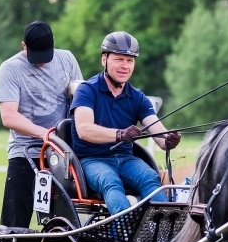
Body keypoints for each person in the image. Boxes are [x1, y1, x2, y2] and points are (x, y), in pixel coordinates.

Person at [70, 31, 181, 214]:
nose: (125, 66)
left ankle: (160, 234)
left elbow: (159, 133)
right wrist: (120, 134)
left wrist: (169, 139)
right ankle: (123, 231)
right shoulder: (86, 90)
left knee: (150, 178)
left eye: (130, 61)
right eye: (119, 59)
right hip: (92, 160)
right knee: (110, 181)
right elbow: (84, 129)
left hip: (126, 159)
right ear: (104, 59)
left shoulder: (138, 97)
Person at [0, 21, 83, 227]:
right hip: (25, 151)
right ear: (23, 46)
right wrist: (46, 134)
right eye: (37, 56)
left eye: (46, 56)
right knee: (15, 222)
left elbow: (80, 100)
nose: (43, 63)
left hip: (61, 154)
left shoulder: (67, 59)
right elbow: (9, 116)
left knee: (66, 220)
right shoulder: (10, 69)